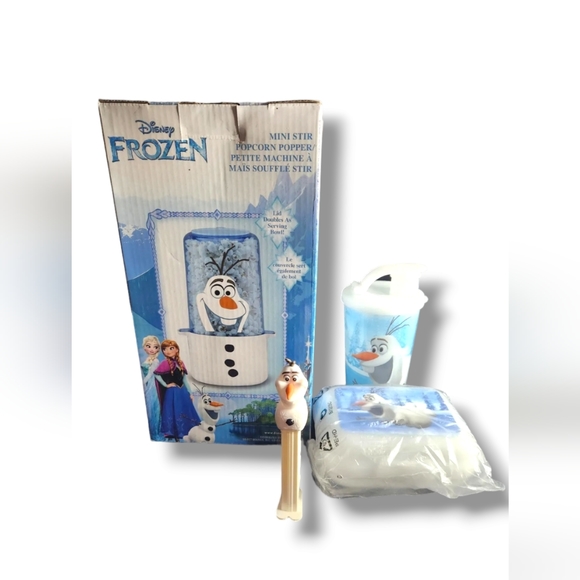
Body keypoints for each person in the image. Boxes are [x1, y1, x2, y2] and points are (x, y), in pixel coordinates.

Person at [154, 339, 201, 441]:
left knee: (184, 410)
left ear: (177, 350)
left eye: (171, 348)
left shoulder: (180, 363)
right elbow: (156, 374)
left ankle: (186, 431)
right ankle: (175, 433)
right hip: (172, 392)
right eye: (165, 349)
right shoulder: (165, 363)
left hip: (182, 391)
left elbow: (184, 379)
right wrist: (166, 385)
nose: (168, 351)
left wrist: (190, 393)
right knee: (174, 411)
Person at [141, 336, 162, 439]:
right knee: (150, 407)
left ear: (158, 349)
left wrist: (143, 382)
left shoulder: (156, 361)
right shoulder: (147, 359)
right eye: (149, 346)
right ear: (145, 347)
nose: (152, 349)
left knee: (154, 406)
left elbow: (150, 374)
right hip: (148, 384)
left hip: (153, 385)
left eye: (155, 347)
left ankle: (156, 431)